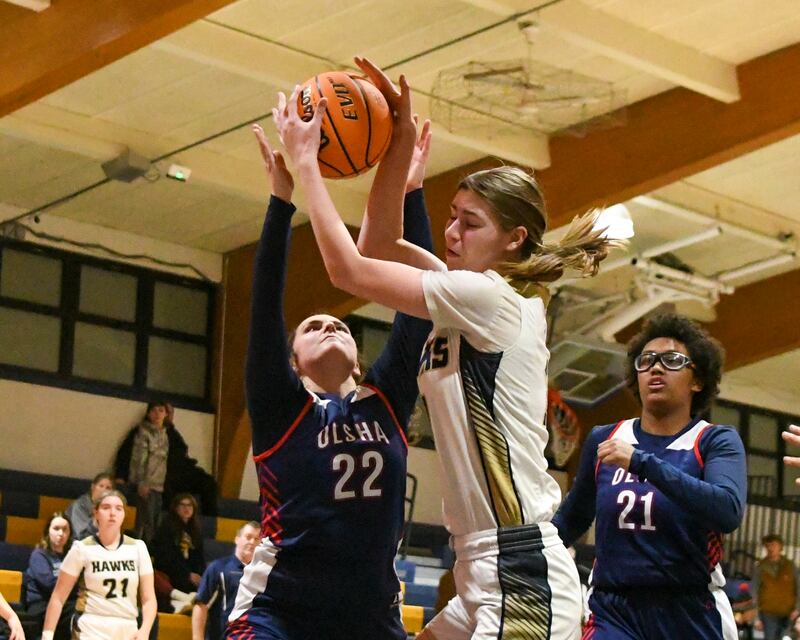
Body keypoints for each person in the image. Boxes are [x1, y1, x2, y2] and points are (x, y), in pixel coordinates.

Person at [273, 56, 621, 639]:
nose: (453, 234)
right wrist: (397, 146)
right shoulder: (466, 293)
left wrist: (306, 163)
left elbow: (347, 270)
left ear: (514, 240)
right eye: (452, 218)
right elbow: (380, 243)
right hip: (484, 568)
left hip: (521, 569)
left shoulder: (493, 300)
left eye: (472, 224)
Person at [225, 103, 434, 639]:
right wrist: (279, 203)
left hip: (370, 617)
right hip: (280, 613)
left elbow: (423, 301)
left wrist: (410, 190)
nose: (330, 326)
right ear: (292, 361)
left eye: (339, 326)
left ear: (361, 360)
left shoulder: (385, 400)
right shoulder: (282, 407)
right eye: (313, 325)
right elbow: (265, 305)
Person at [553, 313, 747, 639]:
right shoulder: (605, 438)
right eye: (646, 361)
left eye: (671, 360)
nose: (656, 368)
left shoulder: (715, 440)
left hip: (689, 609)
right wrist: (518, 554)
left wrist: (643, 464)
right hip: (613, 608)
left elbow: (726, 511)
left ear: (697, 380)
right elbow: (572, 519)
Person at [42, 490, 156, 640]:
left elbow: (149, 599)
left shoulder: (138, 548)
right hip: (91, 626)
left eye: (118, 508)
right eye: (106, 507)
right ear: (96, 513)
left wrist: (145, 630)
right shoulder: (81, 548)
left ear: (124, 514)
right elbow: (58, 597)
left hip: (127, 628)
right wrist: (47, 635)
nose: (112, 513)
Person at [115, 403, 218, 517]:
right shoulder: (140, 431)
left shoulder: (171, 433)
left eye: (162, 411)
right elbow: (126, 455)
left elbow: (182, 452)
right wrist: (120, 475)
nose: (158, 414)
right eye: (155, 411)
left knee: (208, 483)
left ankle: (211, 520)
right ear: (149, 414)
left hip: (179, 471)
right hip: (156, 474)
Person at [192, 521, 259, 640]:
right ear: (237, 539)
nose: (252, 542)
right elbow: (200, 605)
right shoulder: (218, 568)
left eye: (257, 539)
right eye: (248, 537)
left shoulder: (262, 575)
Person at [152, 493, 205, 611]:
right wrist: (187, 574)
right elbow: (165, 557)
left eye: (190, 505)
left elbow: (199, 558)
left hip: (189, 578)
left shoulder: (196, 531)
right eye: (183, 505)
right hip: (170, 574)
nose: (187, 508)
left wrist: (199, 575)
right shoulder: (166, 528)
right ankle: (179, 601)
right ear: (176, 508)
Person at [24, 513, 74, 639]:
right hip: (41, 605)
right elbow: (49, 584)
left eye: (65, 529)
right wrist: (72, 582)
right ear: (48, 531)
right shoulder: (39, 554)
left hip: (64, 604)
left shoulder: (72, 556)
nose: (61, 533)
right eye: (56, 529)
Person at [752, 533, 799, 640]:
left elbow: (798, 588)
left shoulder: (790, 566)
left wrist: (797, 608)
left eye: (773, 545)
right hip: (768, 613)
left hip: (789, 613)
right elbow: (754, 592)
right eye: (767, 546)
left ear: (780, 547)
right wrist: (756, 617)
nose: (770, 548)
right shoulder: (760, 568)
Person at [65, 472, 113, 540]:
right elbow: (81, 537)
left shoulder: (110, 509)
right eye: (101, 486)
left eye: (108, 488)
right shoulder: (80, 505)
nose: (104, 490)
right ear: (93, 487)